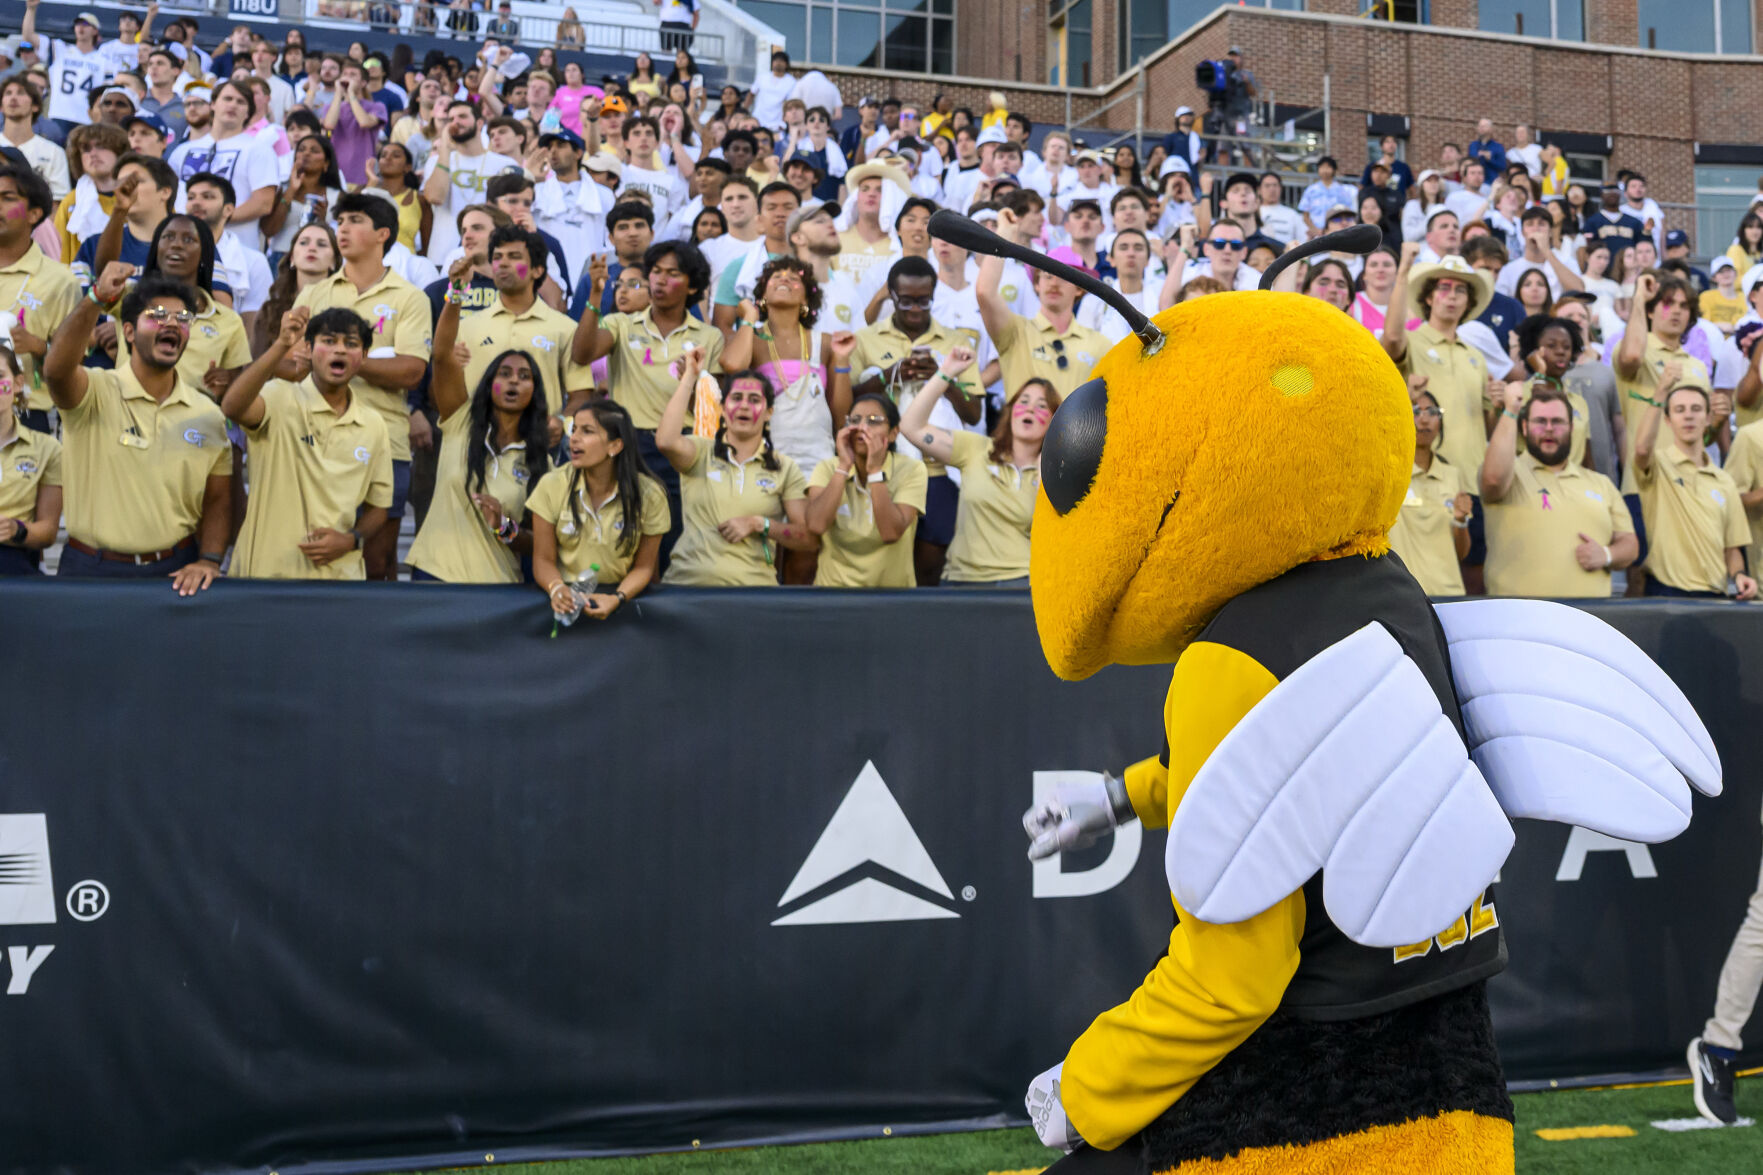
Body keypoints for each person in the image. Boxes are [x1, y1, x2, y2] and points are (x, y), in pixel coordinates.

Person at [41, 265, 230, 591]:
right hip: (90, 570)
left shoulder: (208, 415)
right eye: (156, 315)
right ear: (128, 332)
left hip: (174, 572)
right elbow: (56, 372)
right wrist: (96, 298)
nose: (172, 322)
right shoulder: (94, 391)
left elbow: (218, 500)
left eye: (183, 318)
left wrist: (210, 559)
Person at [291, 192, 432, 580]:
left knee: (379, 559)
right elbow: (295, 362)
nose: (343, 229)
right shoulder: (314, 293)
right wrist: (366, 360)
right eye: (340, 221)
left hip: (385, 438)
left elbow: (411, 372)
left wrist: (340, 361)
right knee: (315, 549)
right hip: (315, 435)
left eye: (355, 220)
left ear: (383, 233)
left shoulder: (411, 298)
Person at [572, 238, 723, 567]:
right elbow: (581, 354)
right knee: (625, 542)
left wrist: (695, 383)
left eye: (672, 273)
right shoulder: (621, 324)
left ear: (692, 285)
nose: (660, 280)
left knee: (671, 543)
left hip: (680, 449)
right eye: (655, 271)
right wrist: (596, 296)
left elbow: (711, 415)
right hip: (628, 445)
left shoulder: (710, 337)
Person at [218, 306, 393, 579]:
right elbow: (232, 407)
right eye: (328, 341)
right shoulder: (278, 396)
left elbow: (379, 508)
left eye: (351, 344)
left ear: (364, 356)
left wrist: (351, 539)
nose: (340, 350)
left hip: (339, 581)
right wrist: (281, 345)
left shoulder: (374, 424)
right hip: (266, 577)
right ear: (309, 350)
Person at [407, 266, 553, 583]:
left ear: (535, 392)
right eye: (504, 374)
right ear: (488, 383)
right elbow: (442, 355)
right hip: (435, 574)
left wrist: (505, 526)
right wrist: (456, 292)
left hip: (498, 588)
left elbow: (543, 543)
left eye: (524, 376)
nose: (514, 381)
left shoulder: (543, 461)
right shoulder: (460, 421)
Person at [653, 349, 818, 586]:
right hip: (687, 586)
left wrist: (759, 524)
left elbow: (807, 539)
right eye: (736, 398)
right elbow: (666, 441)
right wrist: (690, 376)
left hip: (753, 594)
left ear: (769, 413)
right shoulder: (701, 451)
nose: (743, 406)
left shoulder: (785, 467)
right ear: (722, 409)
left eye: (754, 400)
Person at [901, 348, 1054, 588]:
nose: (1031, 409)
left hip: (1021, 584)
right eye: (1023, 401)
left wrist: (1047, 474)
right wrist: (946, 372)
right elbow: (911, 427)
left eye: (1042, 405)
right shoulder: (976, 448)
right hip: (960, 581)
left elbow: (1054, 536)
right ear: (1011, 410)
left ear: (1055, 420)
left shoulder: (1056, 472)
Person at [720, 254, 854, 483]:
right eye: (776, 277)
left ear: (806, 298)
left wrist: (842, 361)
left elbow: (840, 415)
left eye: (794, 279)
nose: (784, 280)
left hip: (816, 456)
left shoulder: (825, 342)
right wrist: (750, 318)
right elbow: (733, 365)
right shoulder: (751, 338)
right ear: (762, 294)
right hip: (764, 455)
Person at [530, 398, 669, 618]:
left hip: (622, 604)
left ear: (615, 446)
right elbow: (542, 560)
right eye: (573, 429)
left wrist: (617, 598)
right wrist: (557, 589)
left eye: (587, 431)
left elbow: (644, 567)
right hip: (563, 604)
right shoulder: (551, 485)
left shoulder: (650, 495)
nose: (573, 438)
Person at [1631, 363, 1754, 599]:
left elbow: (1732, 548)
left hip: (1714, 597)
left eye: (1696, 409)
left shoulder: (1724, 481)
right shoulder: (1657, 465)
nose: (1688, 415)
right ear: (1667, 420)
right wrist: (1661, 391)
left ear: (1708, 418)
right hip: (1665, 594)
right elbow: (1641, 448)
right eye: (1679, 410)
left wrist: (1739, 575)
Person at [457, 224, 592, 435]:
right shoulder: (466, 328)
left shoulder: (565, 328)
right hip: (477, 446)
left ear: (538, 270)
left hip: (540, 451)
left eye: (514, 256)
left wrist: (561, 424)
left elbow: (581, 395)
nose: (503, 264)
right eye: (498, 257)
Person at [979, 207, 1110, 400]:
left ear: (1080, 289)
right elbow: (985, 292)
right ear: (1036, 284)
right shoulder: (1016, 332)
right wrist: (1005, 232)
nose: (1054, 283)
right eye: (1047, 276)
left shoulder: (1100, 345)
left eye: (1064, 277)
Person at [803, 390, 925, 588]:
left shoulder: (911, 469)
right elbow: (816, 524)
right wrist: (843, 467)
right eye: (855, 420)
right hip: (834, 593)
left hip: (892, 596)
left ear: (893, 433)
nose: (862, 427)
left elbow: (890, 533)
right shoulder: (827, 468)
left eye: (874, 420)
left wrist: (875, 471)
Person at [0, 165, 81, 434]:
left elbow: (74, 365)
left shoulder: (60, 280)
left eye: (7, 198)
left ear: (34, 214)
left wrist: (38, 346)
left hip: (28, 415)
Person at [167, 81, 279, 249]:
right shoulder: (182, 151)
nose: (233, 105)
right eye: (227, 99)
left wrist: (214, 220)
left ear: (248, 111)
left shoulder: (259, 150)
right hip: (185, 247)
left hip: (236, 250)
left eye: (241, 102)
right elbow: (167, 196)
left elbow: (263, 203)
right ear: (213, 104)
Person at [1386, 389, 1471, 597]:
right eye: (1415, 411)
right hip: (1404, 595)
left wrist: (1461, 522)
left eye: (1432, 412)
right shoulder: (1389, 473)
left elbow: (1461, 553)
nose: (1424, 420)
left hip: (1450, 595)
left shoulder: (1452, 475)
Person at [419, 100, 522, 261]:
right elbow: (435, 197)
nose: (456, 122)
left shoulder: (505, 165)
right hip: (443, 255)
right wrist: (445, 148)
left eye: (462, 116)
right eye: (451, 119)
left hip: (491, 255)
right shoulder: (436, 162)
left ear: (480, 123)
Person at [0, 343, 61, 574]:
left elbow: (48, 531)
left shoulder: (47, 448)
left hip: (12, 560)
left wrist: (17, 530)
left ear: (17, 384)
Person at [253, 221, 339, 354]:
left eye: (321, 244)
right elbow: (255, 363)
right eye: (304, 243)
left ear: (334, 261)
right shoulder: (270, 309)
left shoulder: (342, 304)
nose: (312, 248)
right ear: (292, 258)